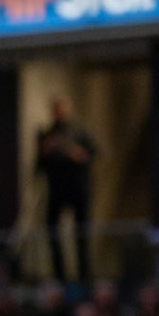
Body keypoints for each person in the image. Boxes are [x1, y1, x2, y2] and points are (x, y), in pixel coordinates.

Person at [36, 97, 95, 282]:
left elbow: (93, 152)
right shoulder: (46, 135)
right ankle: (59, 277)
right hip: (57, 191)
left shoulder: (78, 131)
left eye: (62, 109)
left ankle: (83, 276)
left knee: (81, 234)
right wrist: (45, 152)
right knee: (52, 232)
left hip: (78, 189)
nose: (60, 113)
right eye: (56, 110)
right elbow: (38, 168)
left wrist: (77, 153)